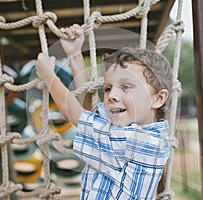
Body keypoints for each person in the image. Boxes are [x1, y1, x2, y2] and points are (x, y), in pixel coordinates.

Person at [36, 24, 172, 200]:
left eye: (126, 87)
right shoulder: (126, 129)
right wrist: (75, 54)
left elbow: (78, 116)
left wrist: (49, 76)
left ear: (158, 99)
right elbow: (88, 110)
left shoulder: (143, 142)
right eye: (107, 88)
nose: (112, 96)